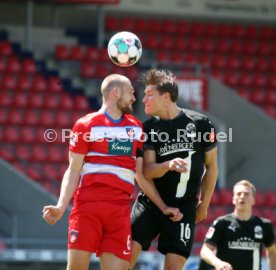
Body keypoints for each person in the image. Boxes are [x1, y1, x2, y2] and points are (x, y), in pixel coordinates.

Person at [42, 74, 182, 270]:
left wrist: (163, 205)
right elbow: (73, 171)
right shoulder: (85, 125)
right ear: (116, 92)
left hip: (119, 211)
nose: (135, 98)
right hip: (87, 208)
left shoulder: (136, 128)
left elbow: (140, 175)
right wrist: (60, 206)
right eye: (131, 92)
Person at [130, 69, 219, 270]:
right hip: (150, 204)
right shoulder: (148, 128)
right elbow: (148, 172)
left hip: (184, 206)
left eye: (149, 94)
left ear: (166, 96)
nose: (143, 99)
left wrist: (204, 205)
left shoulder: (201, 124)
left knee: (174, 265)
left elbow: (212, 165)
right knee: (126, 256)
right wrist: (168, 165)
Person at [199, 179, 276, 270]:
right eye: (238, 194)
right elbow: (205, 250)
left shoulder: (264, 225)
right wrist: (217, 262)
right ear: (233, 199)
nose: (242, 196)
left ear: (253, 200)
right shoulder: (221, 223)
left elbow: (272, 252)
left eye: (246, 194)